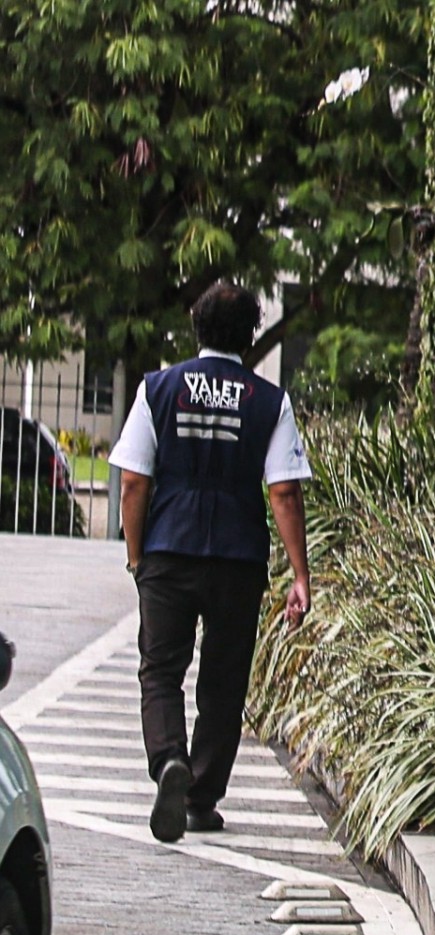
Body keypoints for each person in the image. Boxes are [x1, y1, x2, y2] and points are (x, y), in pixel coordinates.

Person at [109, 282, 312, 844]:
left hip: (168, 553)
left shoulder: (158, 389)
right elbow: (284, 493)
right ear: (251, 335)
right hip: (237, 558)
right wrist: (300, 573)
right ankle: (200, 799)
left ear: (196, 328)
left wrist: (135, 556)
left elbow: (132, 481)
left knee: (160, 671)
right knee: (223, 682)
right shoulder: (269, 401)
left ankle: (169, 759)